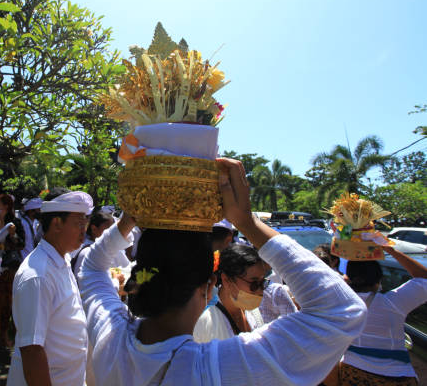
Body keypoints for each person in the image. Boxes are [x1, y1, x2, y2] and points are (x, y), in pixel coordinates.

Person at [76, 158, 367, 385]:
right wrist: (247, 222)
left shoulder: (110, 337)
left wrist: (127, 220)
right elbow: (343, 309)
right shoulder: (220, 368)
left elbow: (91, 267)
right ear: (210, 286)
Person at [8, 191, 134, 386]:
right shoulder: (38, 276)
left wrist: (127, 222)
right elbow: (32, 351)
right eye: (78, 224)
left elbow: (100, 250)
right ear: (57, 224)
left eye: (85, 223)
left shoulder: (61, 258)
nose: (84, 230)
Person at [335, 246, 427, 385]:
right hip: (399, 377)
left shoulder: (339, 304)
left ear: (348, 279)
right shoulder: (394, 303)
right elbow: (424, 277)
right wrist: (391, 251)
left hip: (354, 374)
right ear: (379, 281)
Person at [193, 243, 266, 342]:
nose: (260, 290)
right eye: (254, 283)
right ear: (227, 280)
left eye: (263, 283)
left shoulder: (253, 312)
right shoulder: (204, 323)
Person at [0, 193, 25, 349]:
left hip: (9, 267)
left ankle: (5, 335)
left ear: (6, 206)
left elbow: (21, 244)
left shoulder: (15, 222)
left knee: (7, 302)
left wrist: (12, 235)